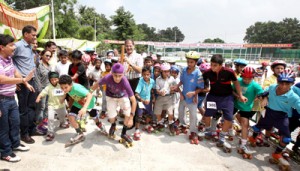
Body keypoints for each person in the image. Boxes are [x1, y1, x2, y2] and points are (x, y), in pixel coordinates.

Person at [249, 70, 300, 170]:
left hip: (282, 117)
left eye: (287, 83)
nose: (283, 86)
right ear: (277, 81)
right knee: (257, 128)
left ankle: (277, 154)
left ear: (292, 84)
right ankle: (252, 138)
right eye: (281, 82)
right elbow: (264, 92)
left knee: (286, 138)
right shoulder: (272, 87)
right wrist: (263, 97)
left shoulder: (294, 97)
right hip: (268, 113)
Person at [202, 54, 246, 152]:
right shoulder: (207, 72)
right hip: (212, 97)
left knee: (229, 118)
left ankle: (222, 137)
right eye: (211, 64)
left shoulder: (229, 72)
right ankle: (208, 131)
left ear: (221, 65)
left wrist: (241, 95)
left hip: (227, 98)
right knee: (208, 114)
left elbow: (236, 83)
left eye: (215, 65)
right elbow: (202, 81)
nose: (212, 67)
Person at [0, 34, 34, 162]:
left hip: (10, 98)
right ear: (2, 47)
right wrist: (22, 79)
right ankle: (5, 152)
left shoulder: (9, 59)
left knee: (15, 123)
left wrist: (25, 83)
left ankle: (15, 144)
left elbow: (15, 71)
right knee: (4, 127)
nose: (14, 47)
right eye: (11, 45)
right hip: (1, 99)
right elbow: (1, 79)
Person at [88, 63, 136, 145]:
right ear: (111, 73)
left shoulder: (125, 81)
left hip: (122, 96)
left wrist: (131, 117)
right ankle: (113, 125)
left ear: (123, 74)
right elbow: (94, 86)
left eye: (120, 75)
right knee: (111, 117)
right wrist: (88, 94)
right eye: (115, 75)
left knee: (127, 113)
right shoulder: (107, 78)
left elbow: (134, 101)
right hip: (110, 97)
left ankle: (123, 133)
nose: (117, 78)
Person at [58, 75, 106, 144]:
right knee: (71, 117)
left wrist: (84, 108)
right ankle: (80, 134)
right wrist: (62, 99)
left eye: (65, 87)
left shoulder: (77, 88)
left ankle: (99, 124)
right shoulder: (66, 88)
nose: (64, 89)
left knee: (94, 118)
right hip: (78, 103)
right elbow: (66, 93)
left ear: (71, 85)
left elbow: (89, 95)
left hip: (89, 103)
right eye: (62, 88)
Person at [12, 25, 38, 144]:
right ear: (26, 34)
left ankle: (31, 129)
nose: (35, 37)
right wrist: (16, 79)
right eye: (33, 35)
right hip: (23, 83)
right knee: (23, 110)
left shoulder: (29, 47)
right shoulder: (17, 46)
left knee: (32, 107)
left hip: (32, 81)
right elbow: (8, 61)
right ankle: (24, 134)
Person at [232, 66, 264, 157]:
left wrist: (262, 97)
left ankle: (243, 144)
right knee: (232, 118)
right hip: (235, 104)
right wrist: (237, 96)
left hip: (247, 107)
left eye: (249, 79)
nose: (246, 80)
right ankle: (243, 132)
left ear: (252, 77)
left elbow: (262, 93)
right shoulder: (237, 81)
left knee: (245, 123)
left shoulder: (255, 85)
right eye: (244, 78)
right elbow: (231, 90)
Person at [174, 51, 204, 144]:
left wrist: (194, 93)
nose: (189, 64)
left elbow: (201, 87)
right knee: (181, 112)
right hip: (183, 96)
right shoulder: (184, 70)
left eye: (191, 62)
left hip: (193, 98)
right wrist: (177, 86)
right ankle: (183, 125)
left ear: (195, 62)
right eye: (188, 62)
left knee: (193, 116)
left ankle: (193, 131)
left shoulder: (198, 73)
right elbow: (182, 81)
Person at [35, 72, 68, 141]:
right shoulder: (48, 87)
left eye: (55, 79)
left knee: (63, 115)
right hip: (51, 106)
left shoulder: (61, 86)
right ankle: (50, 133)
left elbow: (67, 90)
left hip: (61, 105)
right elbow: (42, 93)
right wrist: (38, 97)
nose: (54, 81)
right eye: (52, 80)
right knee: (50, 118)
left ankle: (62, 123)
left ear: (58, 79)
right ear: (50, 80)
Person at [153, 63, 177, 135]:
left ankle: (170, 124)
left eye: (168, 71)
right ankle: (161, 123)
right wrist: (160, 92)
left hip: (169, 97)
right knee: (157, 112)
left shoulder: (172, 79)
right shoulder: (158, 79)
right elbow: (157, 89)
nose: (167, 73)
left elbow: (175, 87)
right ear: (161, 71)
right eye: (165, 71)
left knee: (170, 113)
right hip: (160, 97)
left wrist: (173, 89)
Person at [133, 67, 155, 140]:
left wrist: (153, 97)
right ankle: (137, 129)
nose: (146, 76)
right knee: (139, 115)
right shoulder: (140, 81)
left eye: (148, 74)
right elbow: (136, 93)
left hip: (148, 101)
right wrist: (141, 99)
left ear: (150, 75)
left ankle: (146, 125)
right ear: (142, 74)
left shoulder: (152, 81)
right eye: (144, 74)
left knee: (149, 114)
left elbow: (152, 90)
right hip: (141, 101)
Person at [35, 50, 53, 134]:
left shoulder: (49, 66)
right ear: (42, 55)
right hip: (41, 89)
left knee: (46, 107)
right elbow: (37, 78)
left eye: (50, 56)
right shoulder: (38, 65)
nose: (48, 57)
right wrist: (40, 91)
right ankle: (37, 126)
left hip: (49, 89)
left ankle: (43, 124)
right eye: (46, 55)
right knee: (41, 107)